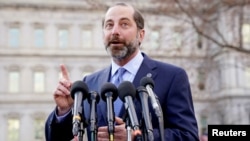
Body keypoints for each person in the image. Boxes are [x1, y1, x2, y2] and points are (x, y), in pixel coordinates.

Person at [45, 2, 199, 141]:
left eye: (124, 24)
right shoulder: (89, 83)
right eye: (109, 25)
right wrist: (64, 111)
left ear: (141, 35)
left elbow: (188, 136)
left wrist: (136, 137)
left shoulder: (172, 77)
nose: (115, 31)